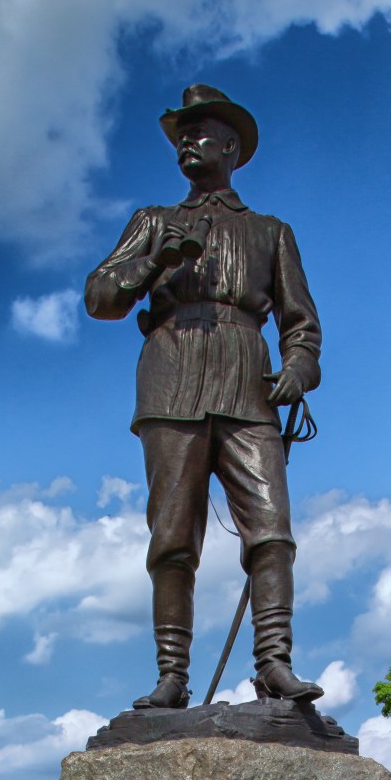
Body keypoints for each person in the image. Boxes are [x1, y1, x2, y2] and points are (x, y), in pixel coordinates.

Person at [85, 83, 322, 708]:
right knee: (172, 537)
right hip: (170, 379)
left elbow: (302, 323)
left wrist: (299, 367)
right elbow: (100, 299)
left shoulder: (271, 232)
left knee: (271, 531)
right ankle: (172, 675)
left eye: (201, 131)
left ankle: (273, 662)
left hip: (248, 386)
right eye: (181, 135)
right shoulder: (153, 222)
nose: (189, 142)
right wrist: (150, 263)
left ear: (232, 146)